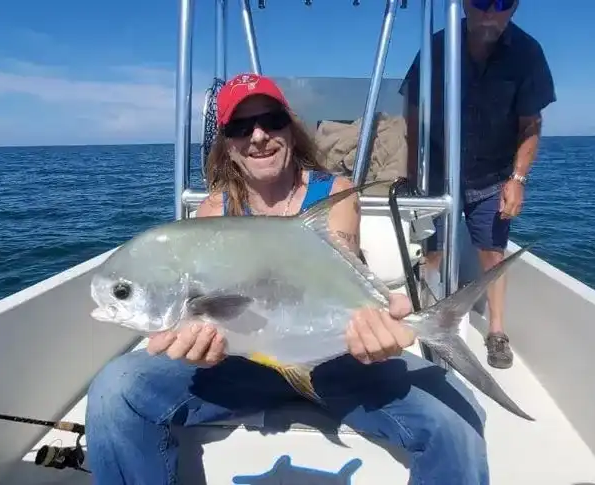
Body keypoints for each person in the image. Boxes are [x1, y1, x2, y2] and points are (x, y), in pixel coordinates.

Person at [85, 73, 490, 485]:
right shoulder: (212, 211)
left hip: (339, 359)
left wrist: (378, 324)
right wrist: (195, 345)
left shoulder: (337, 191)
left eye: (271, 120)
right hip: (238, 363)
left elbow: (341, 263)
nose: (258, 136)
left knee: (458, 421)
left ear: (291, 130)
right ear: (228, 145)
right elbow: (212, 319)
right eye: (241, 128)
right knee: (115, 392)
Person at [400, 0, 556, 369]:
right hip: (437, 173)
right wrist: (412, 174)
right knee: (432, 251)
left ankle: (497, 331)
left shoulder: (527, 53)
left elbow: (530, 124)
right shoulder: (438, 47)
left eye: (502, 3)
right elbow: (413, 112)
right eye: (480, 1)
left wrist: (518, 180)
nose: (490, 11)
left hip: (492, 175)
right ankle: (432, 318)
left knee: (492, 254)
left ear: (515, 7)